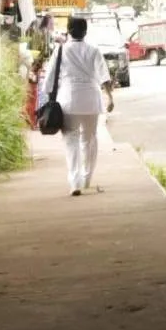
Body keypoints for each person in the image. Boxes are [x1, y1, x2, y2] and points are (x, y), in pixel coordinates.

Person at [37, 15, 113, 195]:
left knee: (71, 140)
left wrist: (47, 96)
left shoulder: (60, 50)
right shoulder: (94, 50)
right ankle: (86, 178)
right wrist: (110, 98)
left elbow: (49, 79)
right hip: (91, 100)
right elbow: (104, 76)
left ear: (68, 31)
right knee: (90, 139)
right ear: (85, 31)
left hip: (68, 100)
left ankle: (75, 182)